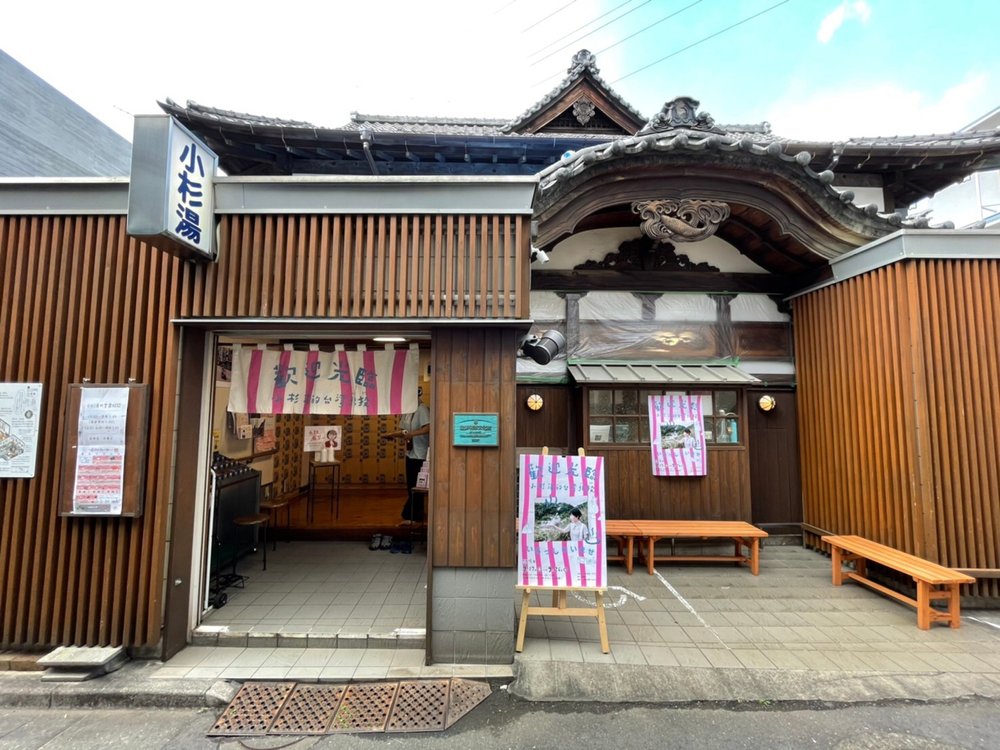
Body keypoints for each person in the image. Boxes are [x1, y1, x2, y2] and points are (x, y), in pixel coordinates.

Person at [384, 388, 430, 525]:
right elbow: (404, 431)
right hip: (411, 453)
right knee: (410, 484)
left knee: (416, 485)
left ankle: (412, 516)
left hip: (420, 454)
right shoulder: (408, 412)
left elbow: (428, 427)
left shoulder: (421, 409)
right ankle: (413, 516)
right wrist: (392, 435)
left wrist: (412, 434)